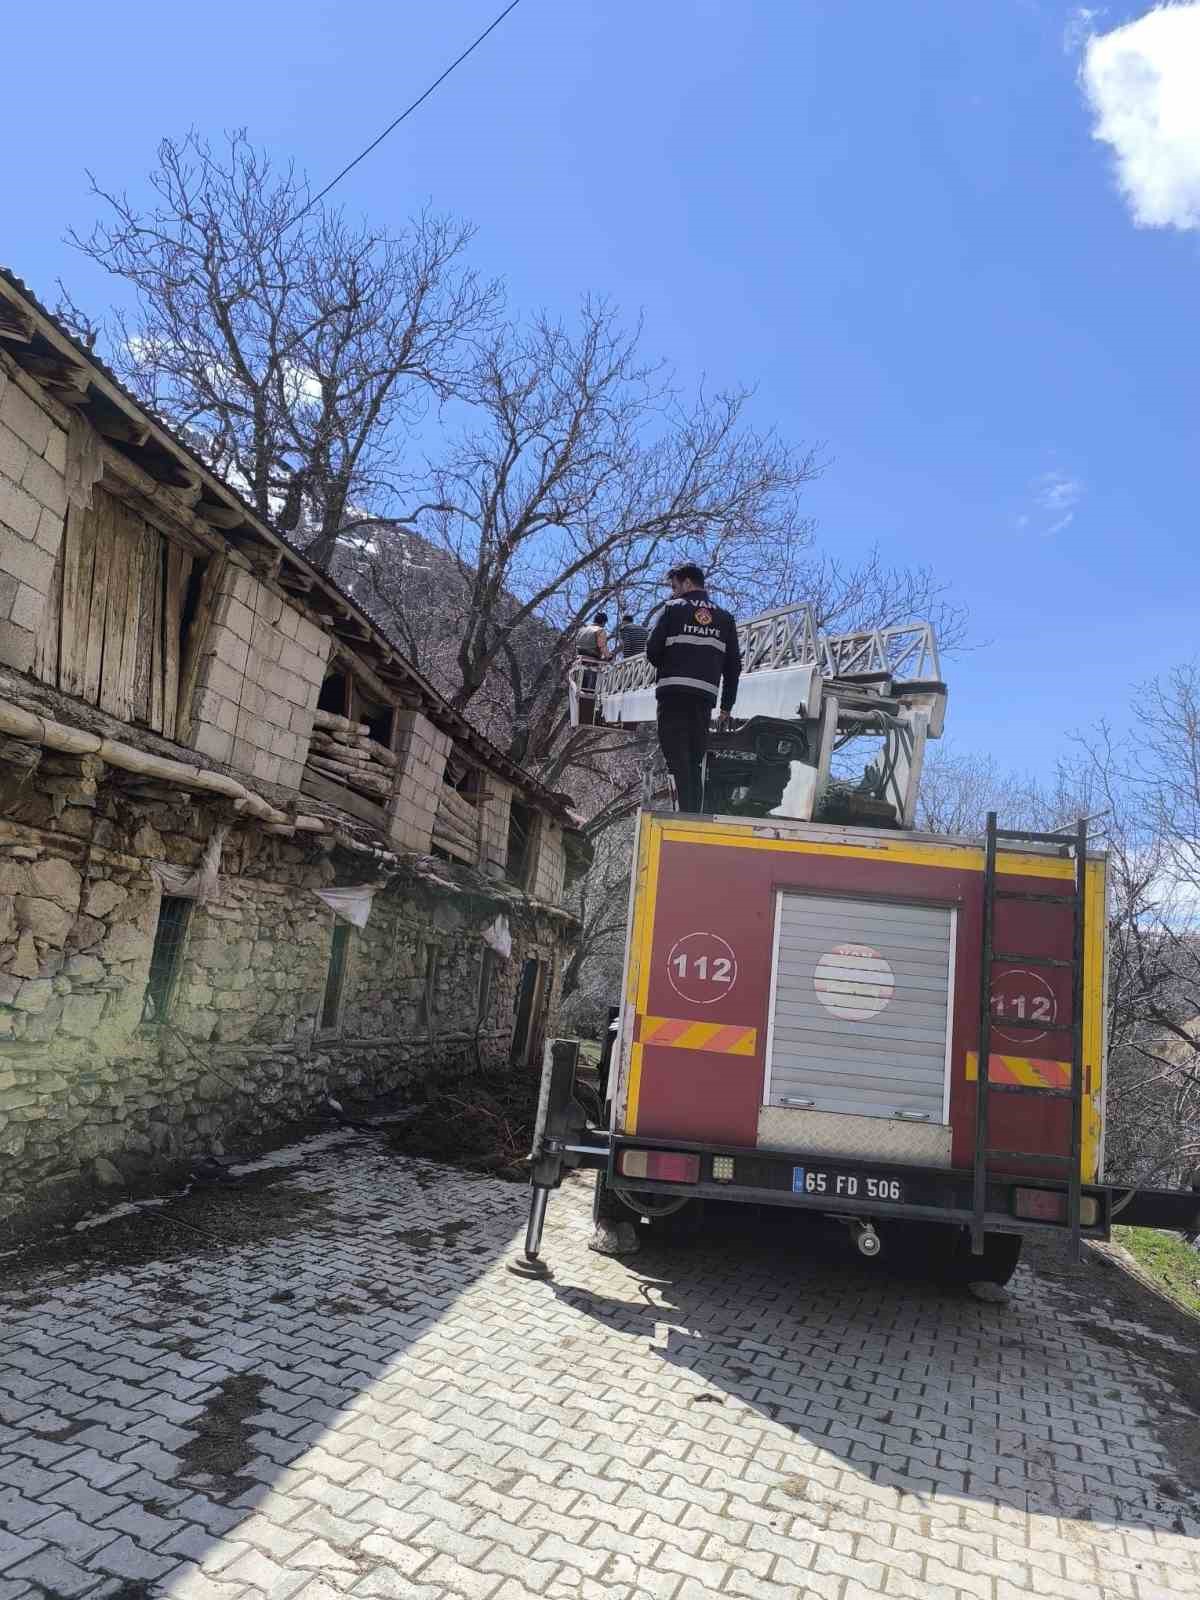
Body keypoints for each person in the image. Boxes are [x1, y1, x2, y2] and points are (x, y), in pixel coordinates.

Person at [645, 563, 741, 813]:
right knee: (695, 760)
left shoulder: (672, 609)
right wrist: (726, 706)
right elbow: (733, 667)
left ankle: (682, 815)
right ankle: (695, 815)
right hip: (704, 698)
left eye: (674, 587)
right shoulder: (725, 618)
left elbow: (652, 651)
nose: (673, 593)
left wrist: (672, 661)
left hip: (673, 694)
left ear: (687, 583)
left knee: (676, 759)